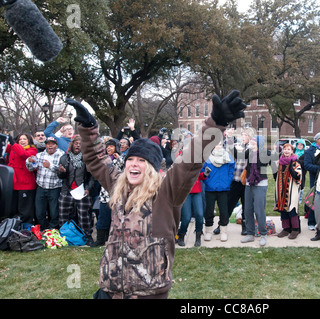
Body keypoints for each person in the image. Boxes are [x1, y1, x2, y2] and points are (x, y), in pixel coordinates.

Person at [67, 89, 246, 299]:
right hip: (111, 289)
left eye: (142, 161)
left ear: (151, 168)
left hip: (149, 292)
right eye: (131, 160)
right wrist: (88, 128)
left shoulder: (166, 192)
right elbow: (96, 158)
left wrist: (215, 123)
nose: (134, 164)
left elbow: (191, 160)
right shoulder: (118, 184)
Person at [57, 135, 96, 245]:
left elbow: (92, 176)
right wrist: (61, 172)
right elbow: (61, 176)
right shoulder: (65, 158)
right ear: (72, 145)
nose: (78, 145)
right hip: (67, 190)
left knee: (84, 216)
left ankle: (87, 237)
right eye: (76, 143)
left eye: (80, 143)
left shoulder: (87, 159)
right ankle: (65, 236)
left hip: (82, 191)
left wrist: (88, 188)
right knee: (63, 215)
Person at [240, 135, 275, 246]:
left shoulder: (266, 154)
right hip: (249, 184)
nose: (252, 145)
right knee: (248, 209)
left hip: (261, 184)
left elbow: (270, 165)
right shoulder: (249, 152)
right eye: (252, 143)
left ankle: (263, 234)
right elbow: (238, 155)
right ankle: (250, 233)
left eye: (254, 143)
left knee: (259, 210)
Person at [26, 137, 65, 230]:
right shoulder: (39, 155)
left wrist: (50, 166)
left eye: (52, 144)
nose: (50, 145)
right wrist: (29, 162)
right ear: (45, 145)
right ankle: (44, 230)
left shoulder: (62, 155)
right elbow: (31, 169)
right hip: (41, 187)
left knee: (54, 213)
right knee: (39, 213)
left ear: (56, 145)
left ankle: (53, 231)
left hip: (55, 187)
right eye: (48, 144)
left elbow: (63, 171)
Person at [202, 144, 235, 242]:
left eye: (220, 144)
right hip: (210, 189)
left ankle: (223, 232)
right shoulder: (207, 157)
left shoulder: (228, 157)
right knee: (209, 211)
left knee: (224, 211)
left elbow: (231, 171)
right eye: (216, 144)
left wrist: (228, 182)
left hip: (223, 189)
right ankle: (208, 231)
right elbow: (203, 171)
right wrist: (207, 182)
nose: (218, 146)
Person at [5, 133, 38, 223]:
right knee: (12, 208)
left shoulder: (32, 150)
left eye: (24, 139)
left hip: (25, 185)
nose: (22, 141)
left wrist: (13, 143)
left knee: (25, 210)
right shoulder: (13, 148)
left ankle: (26, 228)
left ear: (29, 141)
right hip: (13, 183)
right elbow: (5, 147)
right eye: (20, 139)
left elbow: (23, 154)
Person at [227, 128, 253, 235]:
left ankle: (245, 227)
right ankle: (222, 225)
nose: (243, 137)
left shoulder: (252, 148)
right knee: (229, 204)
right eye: (242, 135)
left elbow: (242, 155)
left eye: (245, 135)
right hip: (236, 180)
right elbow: (231, 152)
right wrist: (229, 138)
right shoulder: (238, 145)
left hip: (247, 182)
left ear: (250, 137)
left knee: (246, 206)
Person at [274, 143, 303, 239]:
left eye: (288, 149)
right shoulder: (280, 162)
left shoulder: (296, 163)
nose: (286, 151)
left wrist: (292, 170)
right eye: (285, 149)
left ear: (292, 151)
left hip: (292, 190)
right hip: (281, 189)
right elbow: (275, 175)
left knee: (292, 208)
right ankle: (286, 228)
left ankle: (295, 229)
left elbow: (299, 176)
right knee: (282, 209)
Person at [303, 132, 320, 230]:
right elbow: (307, 165)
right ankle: (311, 221)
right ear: (316, 140)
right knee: (314, 199)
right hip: (314, 179)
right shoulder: (310, 151)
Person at [177, 172, 207, 247]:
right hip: (185, 191)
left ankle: (198, 237)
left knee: (200, 215)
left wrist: (204, 174)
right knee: (186, 217)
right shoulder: (180, 161)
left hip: (197, 191)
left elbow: (199, 176)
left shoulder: (196, 161)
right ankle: (181, 236)